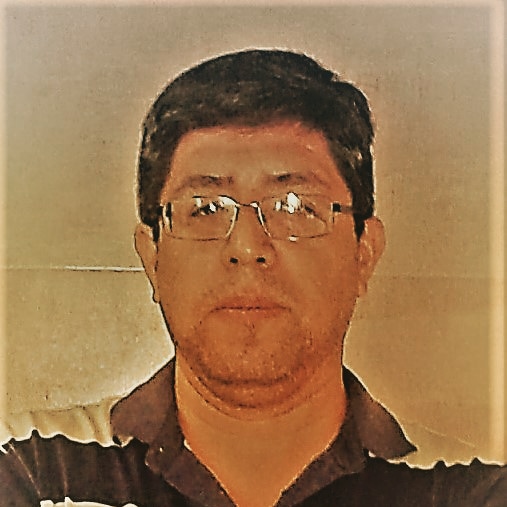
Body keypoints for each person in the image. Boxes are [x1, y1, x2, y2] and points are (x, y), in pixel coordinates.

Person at [1, 49, 505, 507]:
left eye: (295, 206)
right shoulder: (32, 469)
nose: (247, 247)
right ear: (152, 257)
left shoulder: (471, 491)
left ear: (363, 253)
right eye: (204, 208)